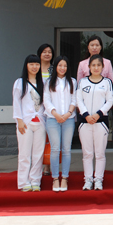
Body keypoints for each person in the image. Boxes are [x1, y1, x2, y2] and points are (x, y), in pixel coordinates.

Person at [77, 54, 113, 191]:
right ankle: (88, 180)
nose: (96, 67)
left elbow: (110, 101)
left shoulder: (107, 82)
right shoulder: (82, 82)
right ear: (89, 67)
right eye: (93, 65)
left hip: (101, 122)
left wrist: (98, 114)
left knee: (99, 154)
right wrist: (86, 115)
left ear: (103, 67)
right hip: (85, 122)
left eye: (99, 65)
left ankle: (98, 180)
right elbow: (79, 100)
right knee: (87, 154)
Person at [12, 54, 46, 192]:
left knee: (38, 154)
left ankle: (35, 181)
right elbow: (16, 102)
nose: (34, 67)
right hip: (25, 122)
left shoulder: (43, 82)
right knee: (25, 154)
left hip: (40, 123)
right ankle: (23, 182)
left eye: (37, 64)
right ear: (26, 65)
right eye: (31, 64)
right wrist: (19, 120)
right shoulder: (20, 82)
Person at [44, 55, 77, 192]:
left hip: (69, 119)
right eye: (60, 65)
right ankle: (55, 178)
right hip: (53, 119)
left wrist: (68, 113)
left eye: (65, 66)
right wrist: (56, 114)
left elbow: (74, 99)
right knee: (55, 149)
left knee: (66, 149)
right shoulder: (49, 82)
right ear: (55, 67)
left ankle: (65, 178)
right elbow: (46, 100)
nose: (62, 68)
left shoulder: (73, 81)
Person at [36, 43, 54, 176]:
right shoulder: (35, 68)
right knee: (38, 137)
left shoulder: (54, 69)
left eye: (49, 52)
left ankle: (47, 165)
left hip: (52, 106)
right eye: (44, 52)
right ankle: (36, 165)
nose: (47, 54)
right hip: (37, 106)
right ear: (40, 54)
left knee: (50, 137)